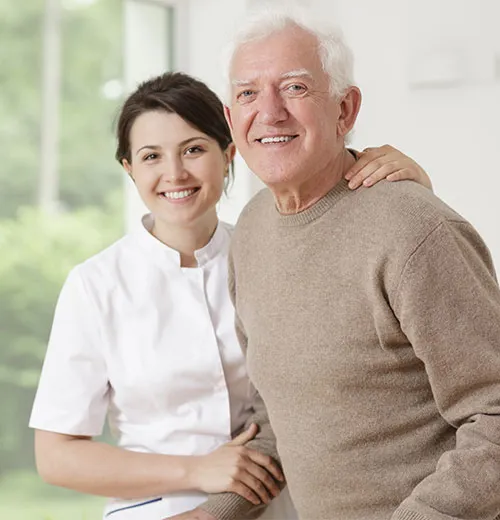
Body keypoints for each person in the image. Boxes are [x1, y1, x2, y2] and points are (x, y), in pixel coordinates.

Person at [29, 71, 432, 520]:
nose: (174, 173)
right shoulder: (95, 285)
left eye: (194, 149)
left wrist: (414, 187)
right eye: (150, 157)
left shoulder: (270, 252)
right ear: (129, 169)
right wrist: (198, 471)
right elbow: (56, 456)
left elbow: (365, 286)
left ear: (228, 154)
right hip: (158, 508)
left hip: (280, 502)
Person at [187, 7, 500, 520]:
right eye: (247, 93)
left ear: (346, 110)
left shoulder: (415, 232)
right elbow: (279, 414)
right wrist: (214, 513)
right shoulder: (251, 231)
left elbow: (494, 416)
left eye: (294, 88)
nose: (269, 112)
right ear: (230, 120)